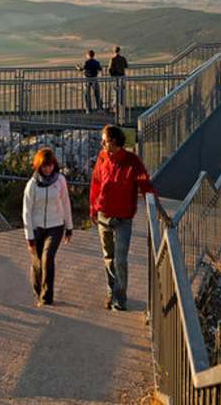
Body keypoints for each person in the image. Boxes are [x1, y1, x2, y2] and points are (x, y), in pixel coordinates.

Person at [89, 124, 155, 311]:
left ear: (114, 142)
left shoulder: (132, 161)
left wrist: (154, 204)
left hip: (123, 218)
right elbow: (95, 183)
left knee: (120, 259)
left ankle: (120, 298)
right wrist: (93, 209)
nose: (102, 144)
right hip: (104, 215)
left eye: (105, 141)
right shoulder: (102, 158)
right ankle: (111, 292)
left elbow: (145, 182)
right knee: (108, 257)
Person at [22, 148, 72, 306]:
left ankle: (46, 298)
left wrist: (69, 227)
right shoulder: (32, 185)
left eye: (50, 165)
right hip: (37, 228)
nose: (48, 169)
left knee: (47, 258)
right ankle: (39, 291)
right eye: (44, 166)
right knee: (37, 264)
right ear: (38, 166)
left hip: (55, 226)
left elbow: (65, 203)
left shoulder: (60, 180)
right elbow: (26, 212)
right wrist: (29, 237)